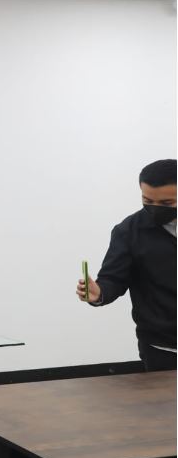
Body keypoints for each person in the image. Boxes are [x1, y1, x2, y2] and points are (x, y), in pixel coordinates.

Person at [77, 159, 176, 372]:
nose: (155, 208)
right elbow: (113, 278)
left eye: (167, 203)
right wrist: (99, 293)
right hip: (162, 348)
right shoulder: (129, 231)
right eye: (147, 200)